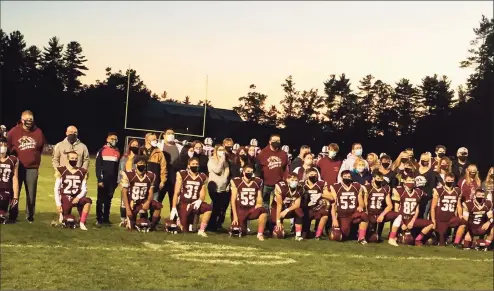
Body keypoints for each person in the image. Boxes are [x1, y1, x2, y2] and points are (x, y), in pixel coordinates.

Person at [7, 110, 45, 223]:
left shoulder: (38, 132)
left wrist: (35, 161)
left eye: (31, 120)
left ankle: (30, 216)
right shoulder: (14, 132)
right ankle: (12, 215)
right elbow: (8, 147)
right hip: (17, 168)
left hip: (32, 167)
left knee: (31, 193)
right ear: (22, 120)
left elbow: (40, 147)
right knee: (14, 191)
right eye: (27, 120)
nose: (29, 122)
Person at [387, 176, 434, 247]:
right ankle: (392, 238)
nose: (411, 182)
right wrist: (402, 223)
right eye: (409, 180)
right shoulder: (400, 190)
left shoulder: (418, 192)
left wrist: (412, 221)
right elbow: (397, 210)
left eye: (412, 180)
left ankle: (418, 239)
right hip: (401, 217)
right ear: (404, 181)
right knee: (397, 218)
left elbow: (417, 210)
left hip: (411, 218)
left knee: (431, 224)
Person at [170, 157, 211, 237]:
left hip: (195, 203)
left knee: (208, 208)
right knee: (184, 230)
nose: (195, 166)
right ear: (188, 166)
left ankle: (202, 230)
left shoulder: (202, 176)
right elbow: (176, 193)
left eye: (196, 164)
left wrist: (199, 200)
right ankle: (180, 222)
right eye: (193, 164)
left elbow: (202, 193)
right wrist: (174, 207)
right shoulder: (182, 174)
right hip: (184, 203)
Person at [120, 155, 162, 231]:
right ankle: (128, 221)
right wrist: (128, 208)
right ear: (135, 164)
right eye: (140, 163)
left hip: (143, 200)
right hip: (133, 202)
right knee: (131, 228)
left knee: (158, 206)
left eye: (143, 163)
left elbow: (150, 191)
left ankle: (152, 225)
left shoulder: (150, 175)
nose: (142, 165)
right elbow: (124, 192)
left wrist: (148, 202)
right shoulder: (129, 174)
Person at [256, 134, 288, 231]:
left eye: (278, 140)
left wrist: (284, 181)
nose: (277, 142)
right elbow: (258, 169)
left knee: (277, 205)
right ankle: (265, 225)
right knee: (265, 206)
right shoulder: (262, 153)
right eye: (274, 140)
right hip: (266, 183)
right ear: (269, 141)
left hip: (278, 184)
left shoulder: (283, 154)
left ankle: (276, 225)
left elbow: (285, 169)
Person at [54, 151, 92, 231]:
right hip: (66, 196)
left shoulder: (82, 172)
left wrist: (78, 197)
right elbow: (56, 188)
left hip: (77, 196)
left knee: (88, 201)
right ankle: (63, 217)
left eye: (75, 159)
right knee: (66, 220)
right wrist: (58, 204)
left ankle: (82, 223)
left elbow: (84, 189)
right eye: (72, 158)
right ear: (67, 159)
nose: (74, 160)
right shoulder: (62, 170)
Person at [230, 164, 268, 241]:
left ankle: (260, 234)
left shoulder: (257, 181)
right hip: (240, 210)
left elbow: (259, 196)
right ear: (243, 172)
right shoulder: (237, 181)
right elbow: (233, 200)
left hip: (252, 209)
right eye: (248, 171)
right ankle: (243, 227)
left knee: (263, 211)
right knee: (238, 230)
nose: (250, 173)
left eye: (251, 171)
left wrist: (259, 203)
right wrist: (235, 216)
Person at [329, 170, 369, 244]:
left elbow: (360, 200)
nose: (347, 178)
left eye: (348, 176)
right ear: (341, 177)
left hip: (353, 213)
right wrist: (334, 219)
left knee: (364, 215)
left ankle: (361, 238)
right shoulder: (336, 187)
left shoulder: (357, 186)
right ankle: (353, 232)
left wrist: (360, 206)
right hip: (342, 215)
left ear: (351, 177)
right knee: (343, 235)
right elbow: (333, 205)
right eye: (345, 176)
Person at [430, 172, 467, 247]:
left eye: (451, 181)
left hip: (451, 218)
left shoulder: (457, 191)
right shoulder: (439, 190)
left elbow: (458, 205)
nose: (450, 182)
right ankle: (436, 238)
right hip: (440, 218)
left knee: (463, 223)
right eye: (448, 180)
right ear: (444, 180)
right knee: (442, 243)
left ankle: (456, 243)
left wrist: (460, 215)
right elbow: (433, 207)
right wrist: (433, 220)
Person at [363, 172, 398, 242]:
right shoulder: (367, 187)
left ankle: (392, 237)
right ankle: (361, 235)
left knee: (398, 215)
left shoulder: (385, 188)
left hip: (379, 212)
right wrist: (367, 214)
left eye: (381, 179)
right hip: (370, 213)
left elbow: (390, 205)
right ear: (373, 179)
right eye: (378, 178)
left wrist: (382, 215)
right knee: (373, 238)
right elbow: (365, 203)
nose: (379, 180)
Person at [95, 132, 121, 225]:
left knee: (108, 200)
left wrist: (117, 181)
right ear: (107, 139)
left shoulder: (117, 152)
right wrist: (100, 179)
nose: (114, 141)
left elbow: (117, 168)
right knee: (100, 200)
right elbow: (98, 167)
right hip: (103, 180)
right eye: (112, 138)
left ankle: (106, 218)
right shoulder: (102, 151)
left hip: (112, 181)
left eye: (115, 139)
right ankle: (99, 219)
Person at [301, 168, 333, 240]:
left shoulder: (320, 184)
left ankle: (318, 235)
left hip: (317, 208)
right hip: (306, 209)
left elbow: (331, 197)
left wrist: (321, 195)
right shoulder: (302, 184)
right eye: (311, 174)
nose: (313, 176)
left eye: (315, 175)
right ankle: (304, 231)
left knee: (325, 213)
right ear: (306, 175)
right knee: (304, 235)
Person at [271, 173, 304, 240]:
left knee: (299, 211)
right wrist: (278, 221)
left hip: (288, 209)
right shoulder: (281, 187)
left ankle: (298, 235)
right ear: (287, 180)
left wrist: (286, 210)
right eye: (292, 180)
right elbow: (279, 205)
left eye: (296, 180)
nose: (294, 182)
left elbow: (297, 204)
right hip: (277, 208)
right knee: (278, 233)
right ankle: (270, 228)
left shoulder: (300, 188)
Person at [207, 144, 230, 231]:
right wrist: (221, 160)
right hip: (213, 187)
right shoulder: (211, 161)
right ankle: (210, 225)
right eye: (219, 150)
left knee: (221, 208)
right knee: (215, 206)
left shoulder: (225, 162)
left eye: (222, 150)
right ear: (216, 151)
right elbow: (217, 170)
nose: (221, 152)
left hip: (223, 188)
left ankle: (217, 225)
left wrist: (226, 183)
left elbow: (226, 174)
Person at [117, 139, 140, 226]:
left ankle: (131, 218)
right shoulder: (124, 158)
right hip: (124, 182)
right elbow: (120, 170)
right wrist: (119, 181)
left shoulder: (138, 158)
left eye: (136, 145)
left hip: (134, 182)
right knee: (123, 201)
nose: (134, 146)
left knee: (133, 201)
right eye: (133, 144)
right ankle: (123, 220)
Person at [139, 133, 167, 203]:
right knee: (141, 205)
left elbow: (163, 167)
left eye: (156, 139)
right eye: (153, 139)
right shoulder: (140, 151)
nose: (155, 141)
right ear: (147, 140)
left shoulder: (159, 152)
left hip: (155, 182)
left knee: (154, 205)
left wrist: (163, 181)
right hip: (141, 182)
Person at [0, 136, 19, 223]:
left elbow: (15, 179)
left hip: (5, 191)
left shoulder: (13, 160)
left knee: (2, 215)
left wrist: (15, 197)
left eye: (4, 144)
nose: (3, 146)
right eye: (0, 144)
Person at [161, 129, 180, 211]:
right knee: (158, 198)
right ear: (164, 135)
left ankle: (173, 219)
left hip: (174, 177)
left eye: (172, 133)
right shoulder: (159, 146)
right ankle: (153, 219)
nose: (171, 135)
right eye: (168, 133)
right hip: (162, 176)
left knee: (173, 199)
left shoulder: (179, 147)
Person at [416, 153, 439, 219]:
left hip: (426, 197)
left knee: (424, 215)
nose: (424, 161)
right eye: (422, 159)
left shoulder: (431, 172)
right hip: (416, 196)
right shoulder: (416, 171)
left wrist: (428, 196)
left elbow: (432, 186)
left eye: (426, 160)